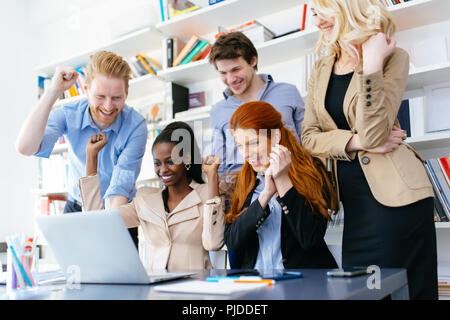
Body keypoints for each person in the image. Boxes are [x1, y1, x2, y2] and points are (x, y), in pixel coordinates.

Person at [301, 0, 437, 299]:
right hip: (355, 203)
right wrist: (356, 142)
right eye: (314, 14)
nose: (318, 23)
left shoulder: (392, 57)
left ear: (348, 7)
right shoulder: (321, 67)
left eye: (323, 12)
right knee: (362, 292)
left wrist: (371, 63)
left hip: (398, 199)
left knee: (406, 292)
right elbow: (309, 138)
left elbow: (375, 131)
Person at [15, 51, 147, 246]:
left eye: (117, 97)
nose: (108, 106)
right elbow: (25, 147)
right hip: (77, 209)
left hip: (117, 212)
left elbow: (120, 188)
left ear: (127, 93)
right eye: (100, 96)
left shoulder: (136, 126)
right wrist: (53, 92)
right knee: (74, 275)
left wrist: (107, 234)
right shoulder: (69, 115)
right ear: (86, 89)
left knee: (123, 276)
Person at [208, 31, 305, 267]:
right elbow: (219, 164)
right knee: (246, 271)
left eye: (235, 69)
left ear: (252, 61)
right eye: (223, 72)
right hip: (243, 198)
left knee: (295, 258)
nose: (230, 78)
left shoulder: (287, 92)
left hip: (290, 186)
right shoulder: (219, 110)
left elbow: (306, 143)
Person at [79, 121, 225, 271]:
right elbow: (96, 221)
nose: (163, 170)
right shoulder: (146, 199)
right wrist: (92, 156)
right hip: (155, 288)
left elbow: (213, 243)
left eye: (170, 162)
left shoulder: (207, 195)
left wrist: (212, 175)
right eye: (157, 163)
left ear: (186, 159)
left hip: (195, 288)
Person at [224, 101, 338, 271]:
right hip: (256, 286)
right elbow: (233, 242)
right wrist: (265, 195)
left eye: (253, 143)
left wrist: (283, 180)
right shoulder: (244, 181)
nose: (246, 153)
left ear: (276, 136)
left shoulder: (312, 170)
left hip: (303, 285)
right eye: (240, 145)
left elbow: (310, 239)